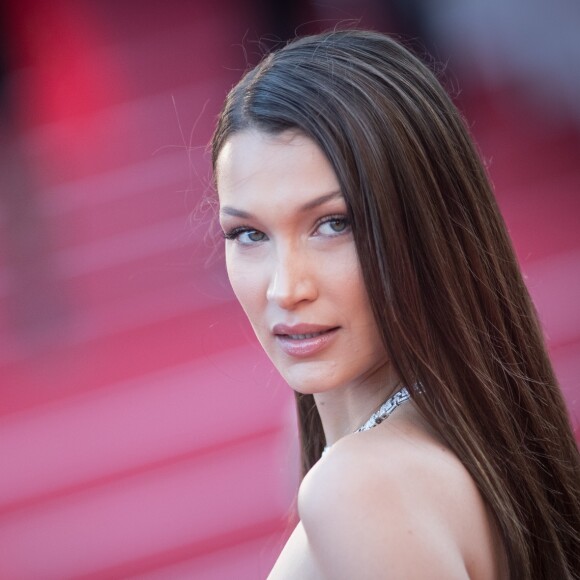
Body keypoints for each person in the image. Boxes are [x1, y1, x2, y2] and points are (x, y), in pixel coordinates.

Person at [211, 29, 580, 579]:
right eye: (248, 234)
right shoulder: (467, 438)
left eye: (334, 224)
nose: (286, 288)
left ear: (425, 226)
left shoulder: (359, 489)